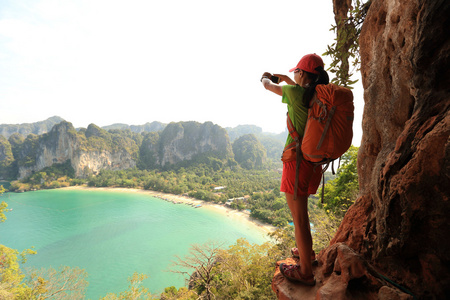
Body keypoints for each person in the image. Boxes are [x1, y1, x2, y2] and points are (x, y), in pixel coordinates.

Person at [261, 54, 329, 286]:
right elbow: (300, 93)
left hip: (296, 160)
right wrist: (289, 81)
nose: (293, 76)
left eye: (296, 72)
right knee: (302, 213)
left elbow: (268, 86)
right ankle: (307, 254)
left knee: (299, 218)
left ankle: (306, 272)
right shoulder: (319, 95)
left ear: (303, 74)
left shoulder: (294, 93)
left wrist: (266, 77)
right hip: (314, 163)